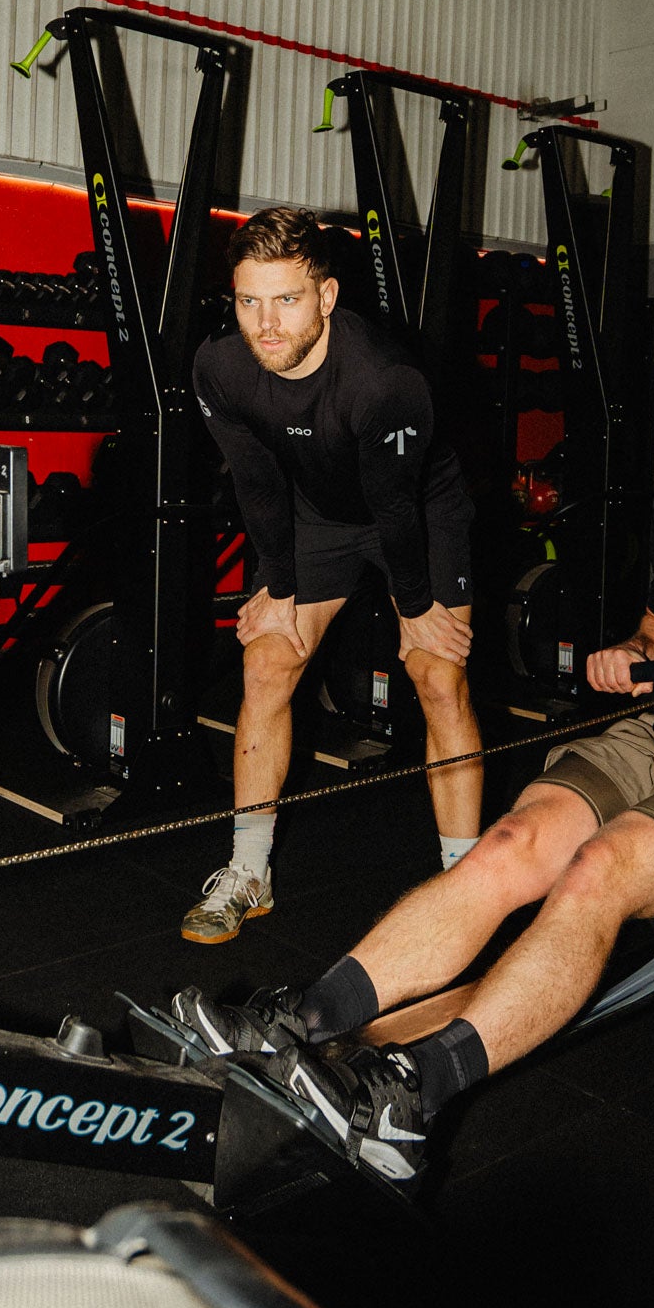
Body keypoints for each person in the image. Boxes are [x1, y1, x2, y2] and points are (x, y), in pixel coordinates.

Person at [168, 327, 654, 1188]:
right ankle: (304, 1018)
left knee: (599, 868)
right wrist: (627, 650)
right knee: (510, 847)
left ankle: (413, 1087)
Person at [184, 206, 482, 943]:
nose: (266, 323)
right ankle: (249, 871)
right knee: (266, 665)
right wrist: (279, 591)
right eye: (249, 301)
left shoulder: (385, 378)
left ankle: (465, 880)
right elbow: (255, 482)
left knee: (438, 675)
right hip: (318, 516)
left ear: (326, 296)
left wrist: (416, 609)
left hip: (419, 514)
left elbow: (393, 504)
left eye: (286, 299)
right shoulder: (220, 366)